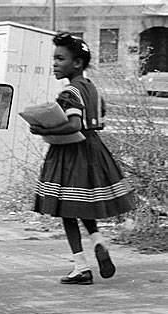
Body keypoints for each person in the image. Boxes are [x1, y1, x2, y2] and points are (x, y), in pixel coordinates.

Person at [30, 32, 135, 285]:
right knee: (81, 203)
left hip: (70, 153)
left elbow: (73, 124)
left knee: (67, 210)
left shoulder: (70, 92)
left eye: (60, 58)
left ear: (76, 63)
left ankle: (80, 266)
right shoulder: (92, 89)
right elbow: (98, 120)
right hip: (93, 150)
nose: (55, 63)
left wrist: (43, 129)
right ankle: (98, 241)